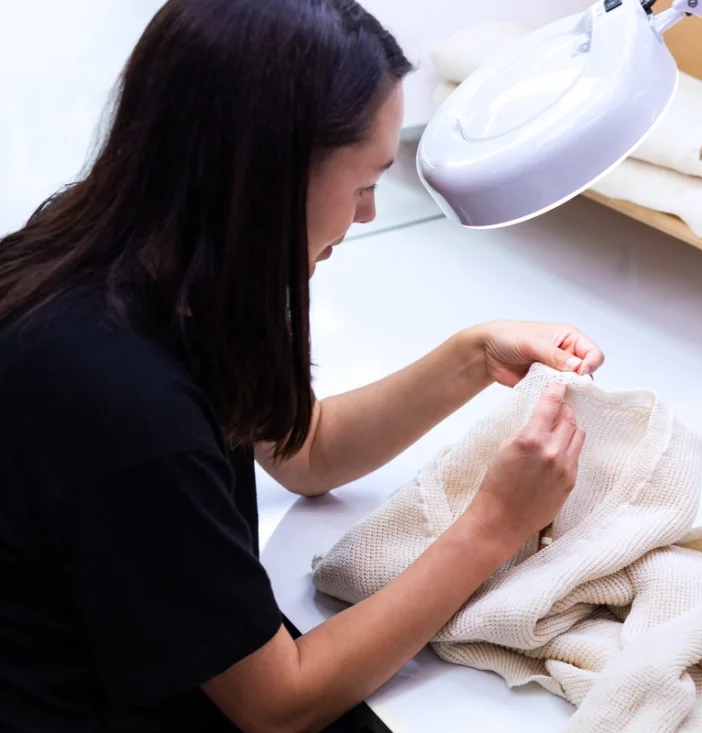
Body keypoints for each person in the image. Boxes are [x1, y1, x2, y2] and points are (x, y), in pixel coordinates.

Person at [0, 1, 603, 731]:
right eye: (363, 182)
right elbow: (277, 703)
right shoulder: (121, 400)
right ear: (268, 174)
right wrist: (496, 524)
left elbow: (304, 452)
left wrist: (474, 356)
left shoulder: (144, 256)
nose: (369, 213)